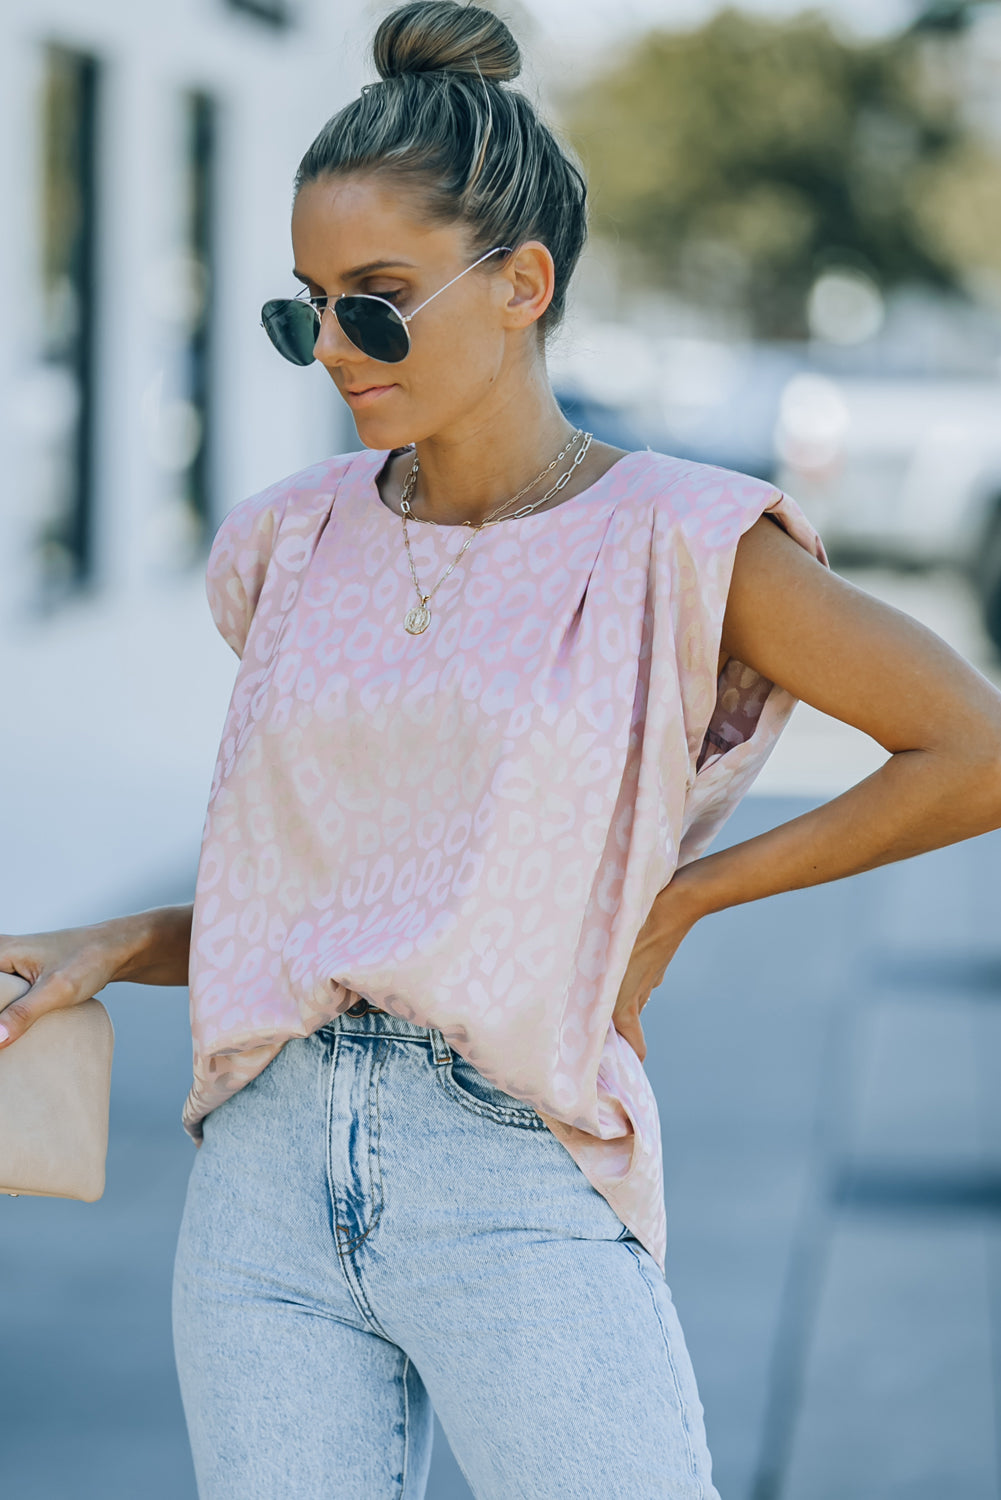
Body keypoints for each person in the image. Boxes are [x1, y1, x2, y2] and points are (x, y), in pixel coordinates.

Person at [3, 3, 1001, 1496]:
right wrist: (123, 939)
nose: (334, 347)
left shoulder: (675, 538)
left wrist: (673, 902)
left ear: (521, 283)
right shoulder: (284, 543)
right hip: (263, 1179)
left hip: (511, 1159)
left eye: (378, 301)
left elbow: (966, 750)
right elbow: (334, 901)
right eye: (307, 306)